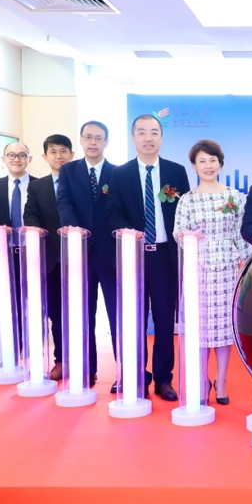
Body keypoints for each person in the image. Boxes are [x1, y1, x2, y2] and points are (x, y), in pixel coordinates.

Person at [106, 114, 190, 401]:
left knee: (166, 321)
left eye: (154, 132)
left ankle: (164, 379)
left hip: (166, 257)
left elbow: (185, 211)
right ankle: (136, 375)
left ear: (161, 138)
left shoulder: (176, 172)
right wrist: (127, 232)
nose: (148, 138)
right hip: (134, 257)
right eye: (141, 132)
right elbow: (113, 212)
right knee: (135, 320)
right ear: (133, 138)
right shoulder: (120, 174)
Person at [174, 140, 251, 405]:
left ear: (220, 163)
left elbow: (241, 233)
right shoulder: (187, 200)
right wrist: (188, 237)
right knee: (200, 329)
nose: (208, 166)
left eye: (212, 160)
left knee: (224, 330)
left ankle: (222, 381)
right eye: (202, 161)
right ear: (194, 166)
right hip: (198, 271)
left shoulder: (235, 197)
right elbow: (178, 233)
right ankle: (201, 380)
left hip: (228, 269)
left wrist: (244, 260)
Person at [56, 121, 118, 391]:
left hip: (111, 255)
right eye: (88, 137)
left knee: (119, 315)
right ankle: (86, 370)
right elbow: (64, 201)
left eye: (98, 138)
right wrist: (74, 230)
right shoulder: (68, 171)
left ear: (106, 142)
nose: (93, 142)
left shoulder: (117, 173)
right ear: (81, 140)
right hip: (79, 253)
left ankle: (125, 373)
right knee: (82, 315)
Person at [0, 142, 36, 349]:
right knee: (10, 306)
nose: (16, 159)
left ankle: (34, 352)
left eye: (22, 155)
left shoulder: (40, 185)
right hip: (6, 255)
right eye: (11, 155)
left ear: (29, 159)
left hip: (34, 254)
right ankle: (14, 352)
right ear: (3, 159)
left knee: (35, 305)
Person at [23, 134, 71, 382]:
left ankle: (86, 364)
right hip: (52, 261)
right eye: (53, 152)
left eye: (63, 151)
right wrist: (34, 229)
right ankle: (61, 361)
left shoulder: (82, 182)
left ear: (72, 155)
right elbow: (30, 214)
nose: (58, 156)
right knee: (56, 314)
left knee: (85, 313)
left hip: (82, 259)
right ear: (45, 156)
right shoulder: (37, 187)